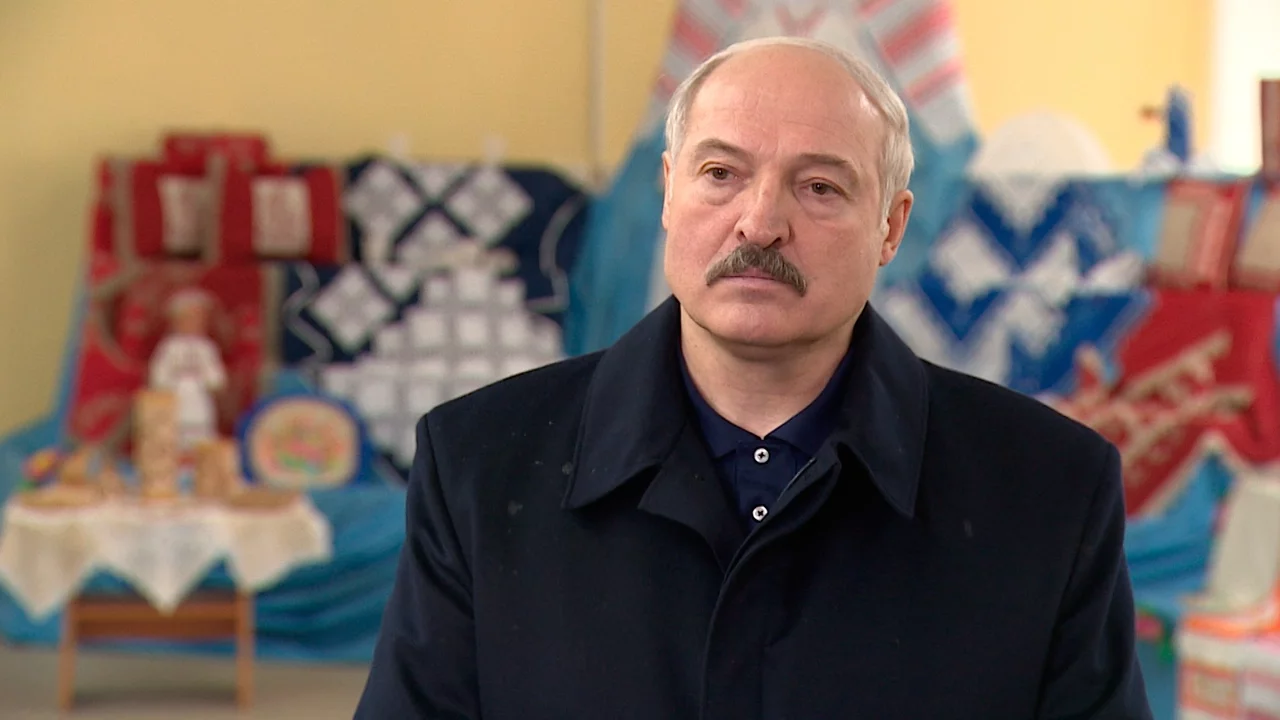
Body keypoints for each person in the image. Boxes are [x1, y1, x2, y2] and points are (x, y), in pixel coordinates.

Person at [355, 36, 1151, 719]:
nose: (761, 223)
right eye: (721, 173)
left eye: (820, 187)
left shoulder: (1051, 490)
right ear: (668, 192)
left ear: (891, 226)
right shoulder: (479, 465)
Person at [148, 287, 226, 452]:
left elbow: (216, 377)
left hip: (199, 400)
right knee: (174, 438)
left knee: (200, 438)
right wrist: (169, 383)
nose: (195, 324)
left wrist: (207, 379)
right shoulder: (169, 347)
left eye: (199, 319)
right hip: (175, 401)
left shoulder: (207, 348)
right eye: (190, 319)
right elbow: (159, 375)